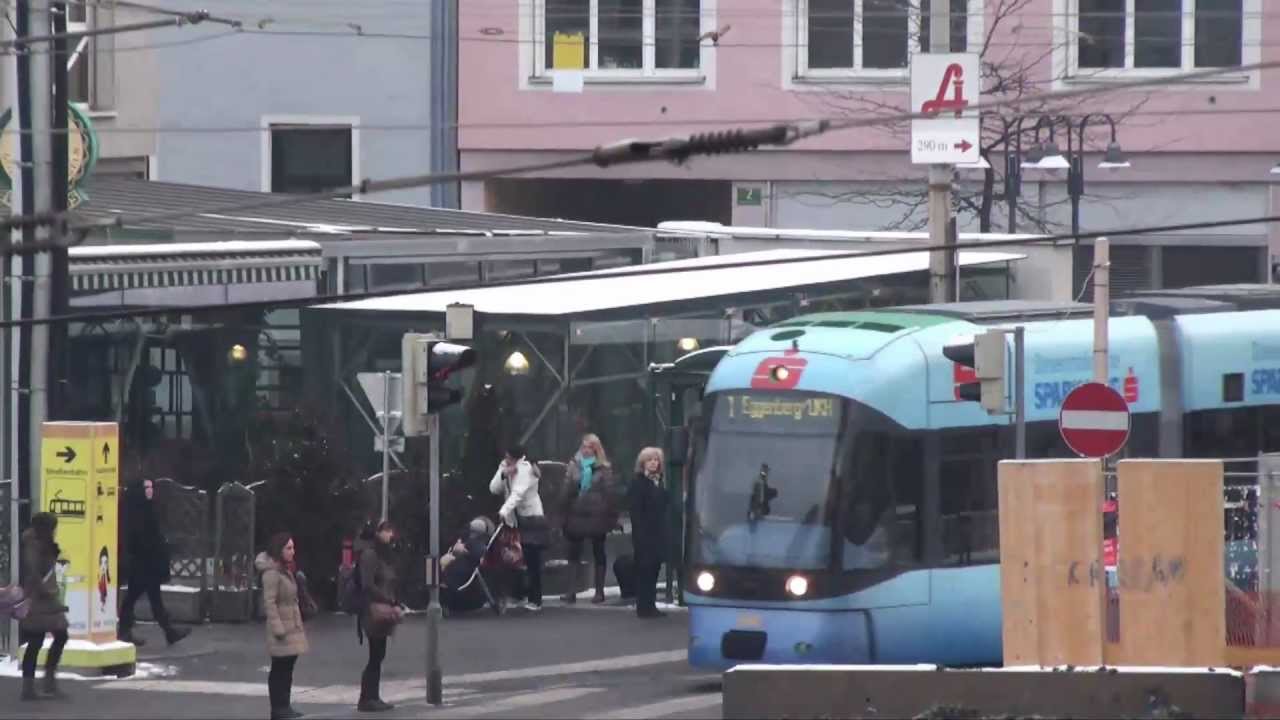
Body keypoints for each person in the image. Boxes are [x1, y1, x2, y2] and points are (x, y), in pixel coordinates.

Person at [119, 478, 191, 647]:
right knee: (134, 598)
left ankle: (167, 631)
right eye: (147, 487)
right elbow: (140, 538)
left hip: (147, 564)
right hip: (142, 563)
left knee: (150, 598)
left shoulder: (147, 508)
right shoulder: (136, 512)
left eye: (151, 487)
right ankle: (126, 630)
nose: (150, 490)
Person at [490, 444, 549, 611]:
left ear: (517, 458)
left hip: (531, 517)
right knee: (513, 557)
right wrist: (503, 473)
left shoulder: (526, 469)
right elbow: (493, 488)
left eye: (509, 458)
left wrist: (503, 511)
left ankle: (535, 598)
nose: (506, 460)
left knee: (532, 559)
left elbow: (518, 493)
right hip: (515, 519)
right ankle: (519, 594)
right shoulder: (506, 466)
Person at [18, 512, 69, 702]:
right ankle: (31, 687)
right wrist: (45, 591)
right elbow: (33, 571)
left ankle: (46, 681)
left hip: (46, 599)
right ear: (45, 528)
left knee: (59, 636)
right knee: (36, 641)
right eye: (53, 527)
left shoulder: (44, 543)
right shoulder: (33, 545)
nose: (55, 531)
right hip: (38, 599)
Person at [257, 532, 308, 720]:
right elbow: (269, 602)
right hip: (282, 627)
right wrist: (278, 628)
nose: (292, 551)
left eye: (293, 547)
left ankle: (284, 706)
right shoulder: (272, 573)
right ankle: (278, 708)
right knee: (279, 669)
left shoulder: (286, 570)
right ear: (279, 549)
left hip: (292, 624)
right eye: (288, 548)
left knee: (287, 668)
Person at [561, 434, 617, 604]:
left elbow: (609, 493)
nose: (586, 450)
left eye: (590, 447)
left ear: (596, 449)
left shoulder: (604, 468)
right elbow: (565, 489)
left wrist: (610, 516)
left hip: (596, 514)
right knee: (573, 551)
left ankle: (599, 591)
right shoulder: (574, 465)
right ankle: (571, 591)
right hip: (577, 513)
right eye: (584, 446)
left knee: (598, 551)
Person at [357, 520, 402, 712]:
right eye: (387, 531)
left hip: (381, 608)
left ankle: (372, 697)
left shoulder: (381, 554)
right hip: (373, 610)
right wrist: (388, 600)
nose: (391, 535)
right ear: (378, 532)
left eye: (392, 531)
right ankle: (367, 699)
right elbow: (367, 584)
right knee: (375, 655)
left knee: (378, 654)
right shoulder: (370, 554)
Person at [629, 447, 671, 619]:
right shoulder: (638, 483)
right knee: (644, 571)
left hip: (658, 534)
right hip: (644, 535)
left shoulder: (660, 482)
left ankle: (650, 605)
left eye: (656, 459)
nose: (654, 462)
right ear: (643, 463)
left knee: (654, 570)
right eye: (650, 460)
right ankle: (643, 606)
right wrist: (640, 536)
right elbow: (636, 512)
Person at [441, 517, 495, 614]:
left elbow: (476, 555)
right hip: (454, 562)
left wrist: (463, 551)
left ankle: (444, 600)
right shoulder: (466, 540)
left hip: (462, 566)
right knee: (436, 567)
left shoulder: (478, 545)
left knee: (449, 574)